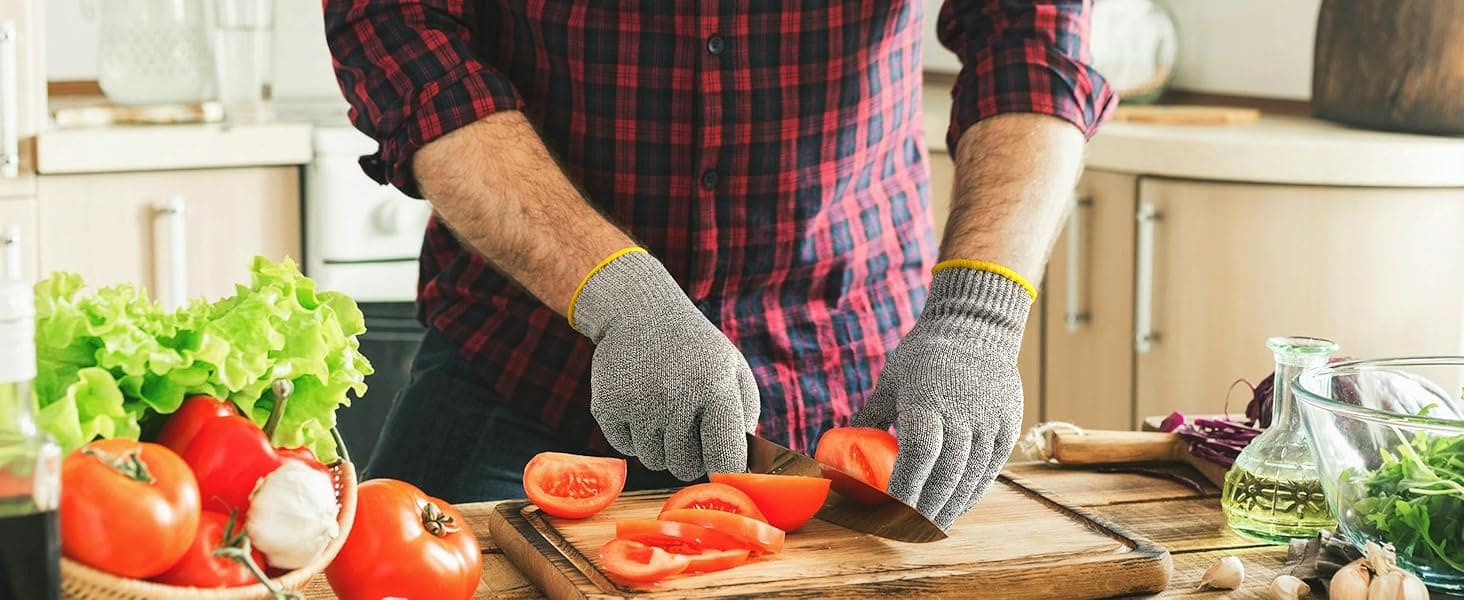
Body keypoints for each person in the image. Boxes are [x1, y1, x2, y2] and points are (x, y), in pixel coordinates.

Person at [325, 1, 1113, 529]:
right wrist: (621, 297)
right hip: (525, 363)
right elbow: (401, 35)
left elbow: (1030, 38)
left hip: (844, 376)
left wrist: (978, 316)